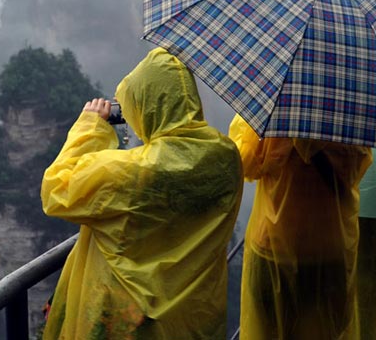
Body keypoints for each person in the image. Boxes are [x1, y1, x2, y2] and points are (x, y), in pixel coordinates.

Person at [40, 48, 243, 339]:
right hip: (194, 320)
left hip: (128, 324)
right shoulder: (226, 157)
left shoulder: (132, 173)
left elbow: (56, 190)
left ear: (146, 108)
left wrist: (91, 126)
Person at [229, 114, 372, 340]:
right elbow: (359, 169)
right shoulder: (358, 111)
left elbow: (244, 163)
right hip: (331, 251)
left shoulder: (278, 108)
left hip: (273, 248)